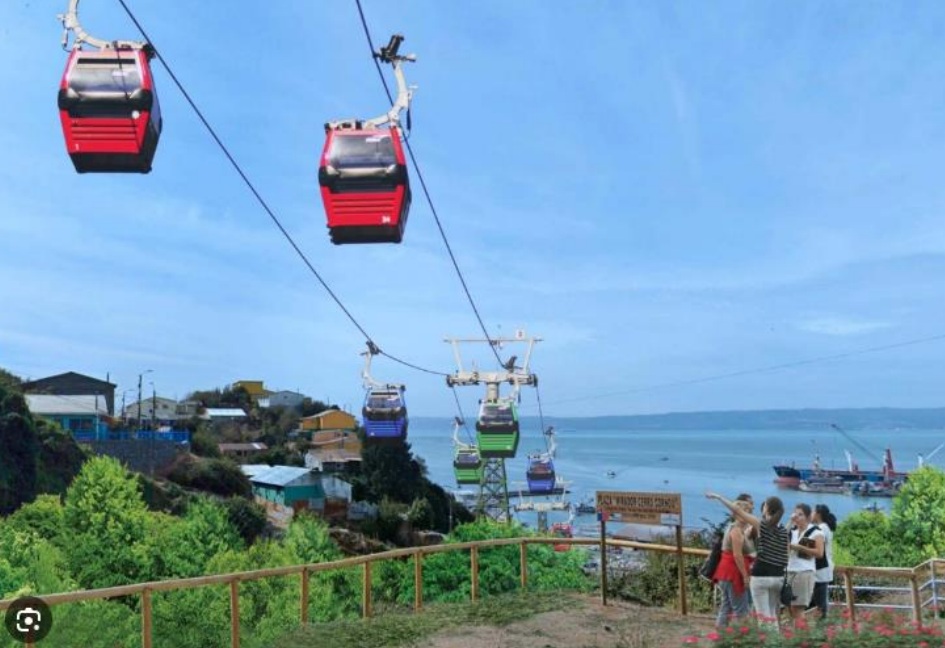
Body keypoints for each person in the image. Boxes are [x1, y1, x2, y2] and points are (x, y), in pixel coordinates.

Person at [707, 492, 788, 627]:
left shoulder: (761, 525)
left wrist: (720, 497)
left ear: (766, 509)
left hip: (759, 575)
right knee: (771, 614)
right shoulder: (783, 530)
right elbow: (786, 554)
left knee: (760, 616)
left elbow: (736, 509)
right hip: (776, 576)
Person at [711, 496, 756, 627]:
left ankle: (722, 637)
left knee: (726, 606)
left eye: (748, 512)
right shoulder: (736, 530)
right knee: (741, 610)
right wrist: (745, 576)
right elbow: (737, 555)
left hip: (725, 572)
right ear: (737, 514)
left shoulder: (736, 528)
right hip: (733, 572)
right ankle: (740, 640)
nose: (747, 514)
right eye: (745, 511)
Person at [786, 503, 824, 627]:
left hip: (804, 572)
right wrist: (789, 522)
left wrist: (799, 547)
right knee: (791, 608)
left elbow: (819, 553)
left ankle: (802, 639)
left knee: (798, 608)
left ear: (808, 517)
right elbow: (780, 539)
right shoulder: (792, 531)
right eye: (795, 514)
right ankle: (799, 636)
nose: (796, 517)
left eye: (800, 514)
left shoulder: (816, 532)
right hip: (790, 570)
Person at [810, 504, 836, 620]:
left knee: (820, 602)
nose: (811, 514)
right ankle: (822, 626)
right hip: (823, 568)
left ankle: (822, 628)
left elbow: (810, 545)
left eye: (812, 512)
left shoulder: (822, 528)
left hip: (821, 569)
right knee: (821, 600)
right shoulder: (825, 527)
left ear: (818, 514)